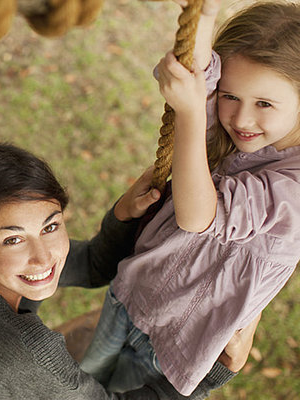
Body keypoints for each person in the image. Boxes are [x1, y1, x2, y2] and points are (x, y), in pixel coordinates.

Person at [0, 142, 251, 399]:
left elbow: (92, 266)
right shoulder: (24, 354)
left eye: (50, 227)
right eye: (13, 239)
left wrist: (123, 215)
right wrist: (213, 373)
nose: (43, 257)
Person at [80, 0, 300, 396]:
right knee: (79, 387)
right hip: (133, 292)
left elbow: (199, 216)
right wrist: (207, 15)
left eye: (264, 104)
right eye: (230, 96)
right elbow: (198, 73)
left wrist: (192, 115)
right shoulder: (243, 126)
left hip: (177, 343)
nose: (240, 119)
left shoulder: (294, 191)